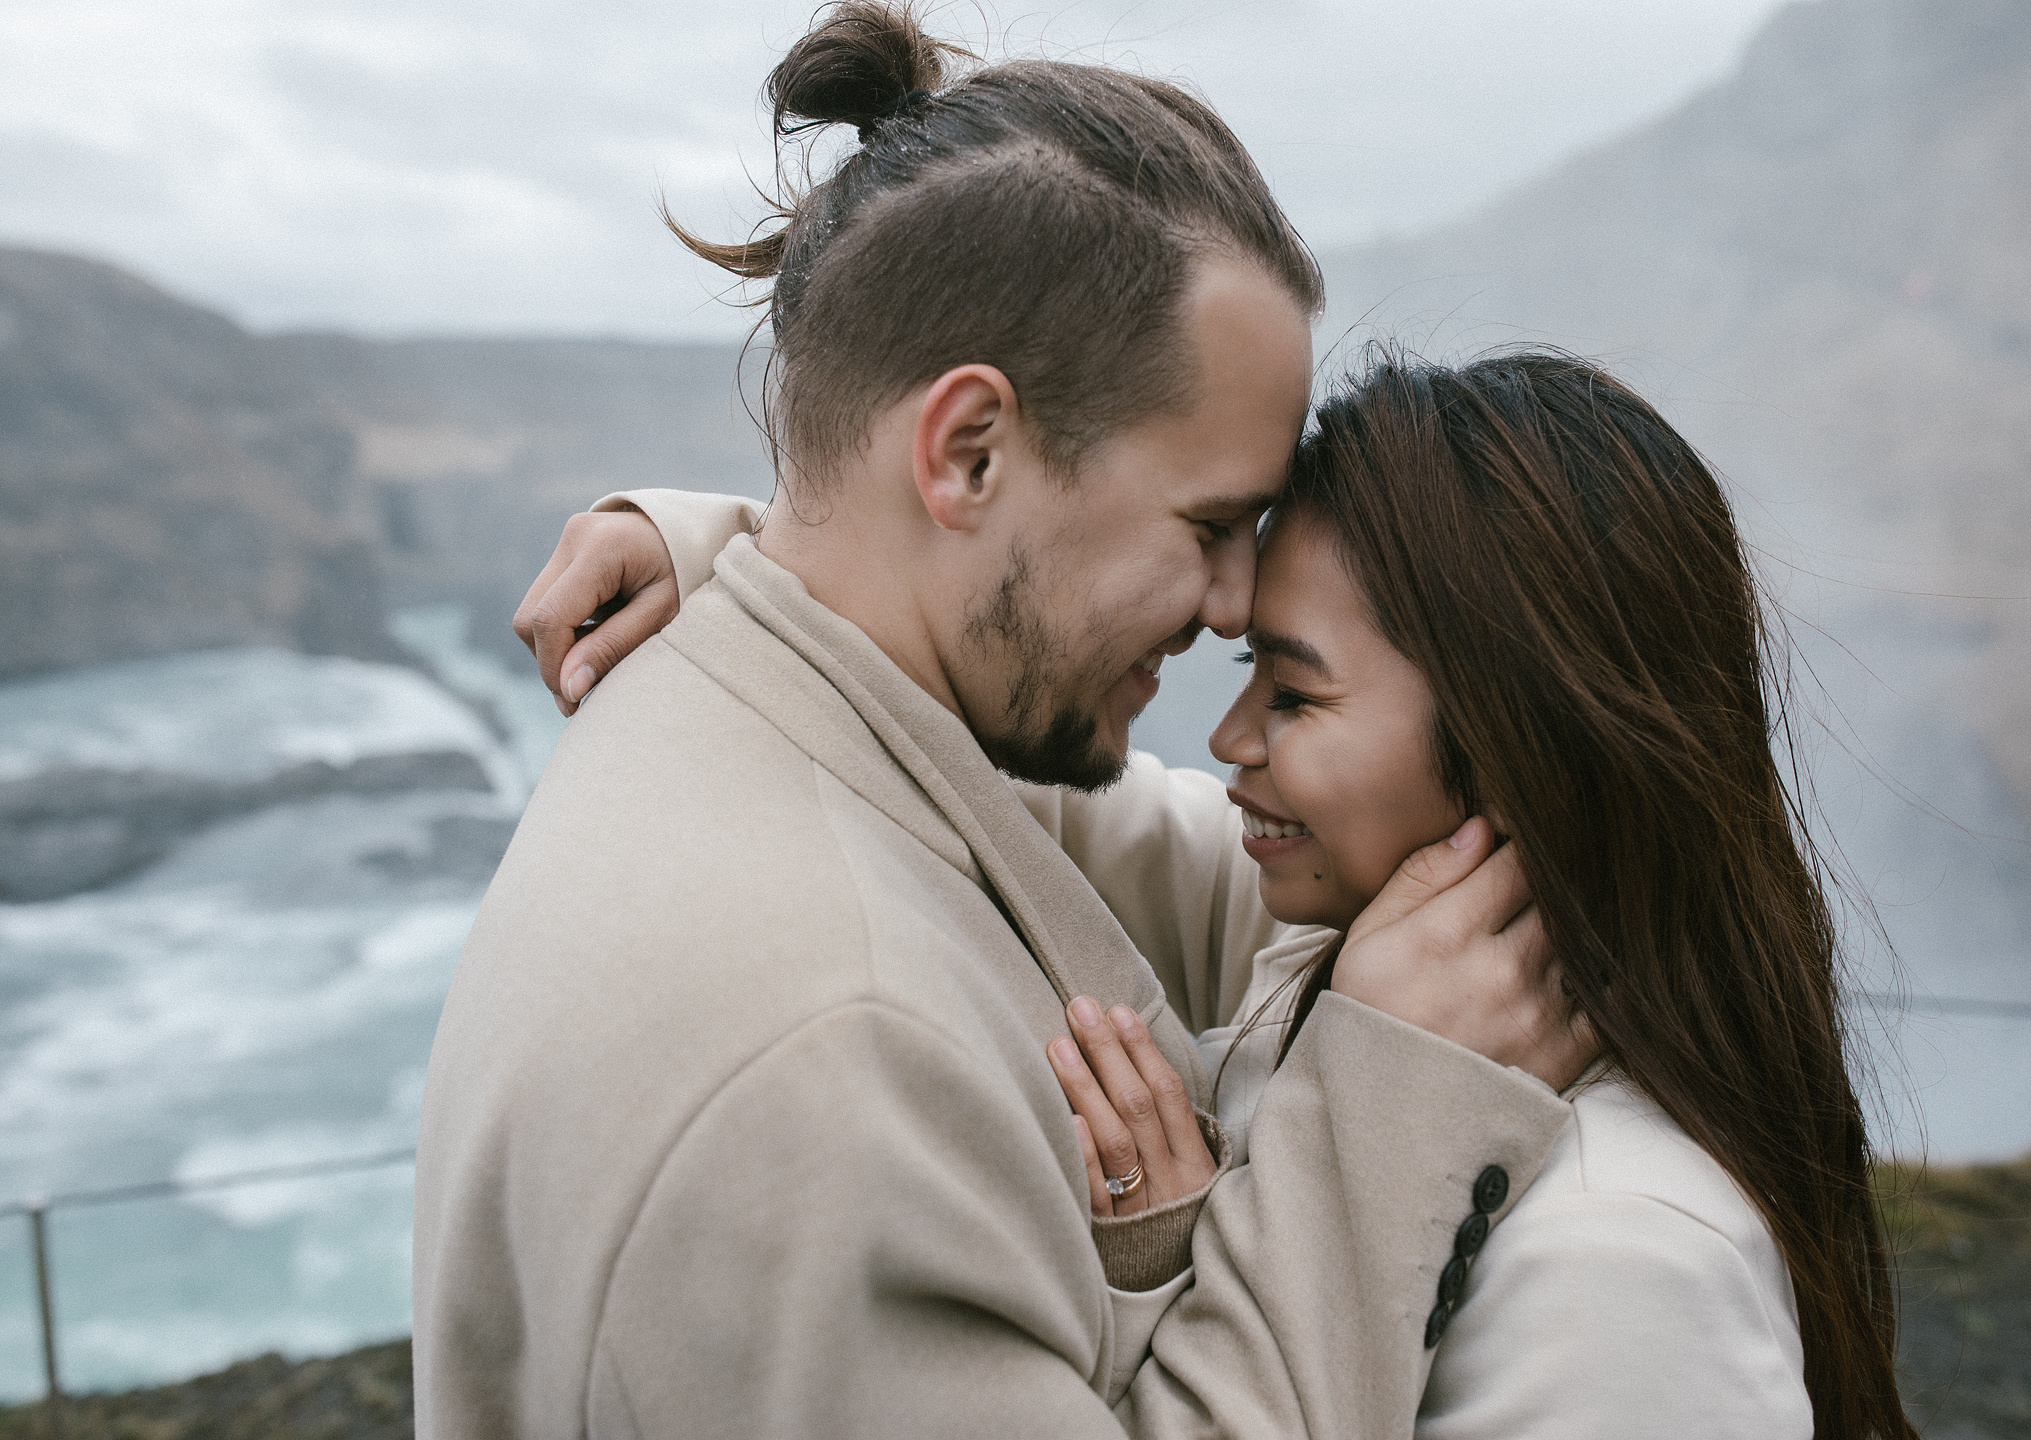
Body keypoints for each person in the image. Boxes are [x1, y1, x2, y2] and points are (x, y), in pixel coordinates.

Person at [418, 6, 1591, 1438]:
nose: (1235, 605)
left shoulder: (799, 720)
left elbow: (1228, 874)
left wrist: (721, 546)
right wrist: (1388, 1132)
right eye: (1212, 523)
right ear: (968, 452)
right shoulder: (826, 1063)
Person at [541, 353, 1917, 1440]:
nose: (1227, 738)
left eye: (1296, 692)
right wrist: (719, 555)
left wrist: (1174, 1270)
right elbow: (959, 755)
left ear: (1522, 742)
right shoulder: (1317, 939)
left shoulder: (1624, 1263)